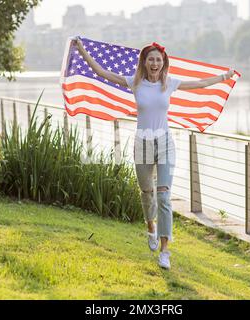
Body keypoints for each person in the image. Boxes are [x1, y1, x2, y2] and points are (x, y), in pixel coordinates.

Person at [72, 37, 235, 269]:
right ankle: (151, 226)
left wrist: (223, 78)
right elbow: (101, 72)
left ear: (163, 62)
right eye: (151, 59)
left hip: (165, 143)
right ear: (145, 62)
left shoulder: (169, 83)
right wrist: (82, 51)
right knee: (147, 193)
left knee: (164, 196)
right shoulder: (135, 82)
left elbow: (198, 84)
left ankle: (165, 250)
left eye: (159, 59)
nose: (155, 63)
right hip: (143, 145)